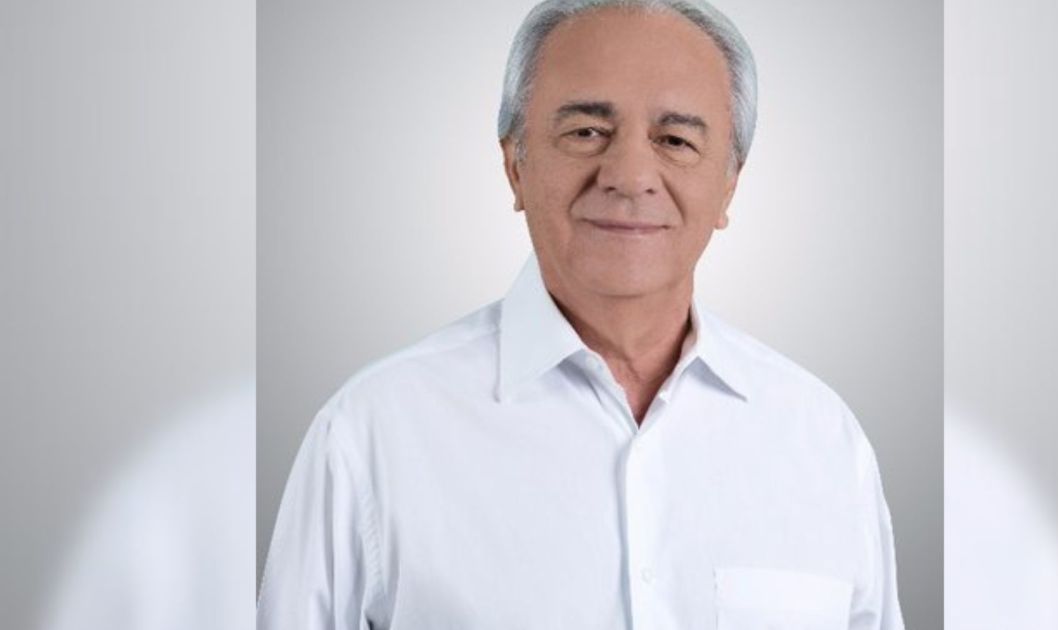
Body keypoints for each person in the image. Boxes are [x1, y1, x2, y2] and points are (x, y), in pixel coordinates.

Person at [257, 1, 905, 628]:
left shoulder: (823, 440)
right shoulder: (371, 433)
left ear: (729, 185)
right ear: (514, 165)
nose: (629, 175)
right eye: (587, 133)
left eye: (675, 139)